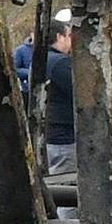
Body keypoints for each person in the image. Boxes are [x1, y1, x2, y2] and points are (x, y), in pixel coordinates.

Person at [44, 17, 75, 171]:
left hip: (48, 132)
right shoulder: (60, 63)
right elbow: (76, 92)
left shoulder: (40, 60)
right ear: (59, 37)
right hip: (64, 138)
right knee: (64, 186)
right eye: (69, 36)